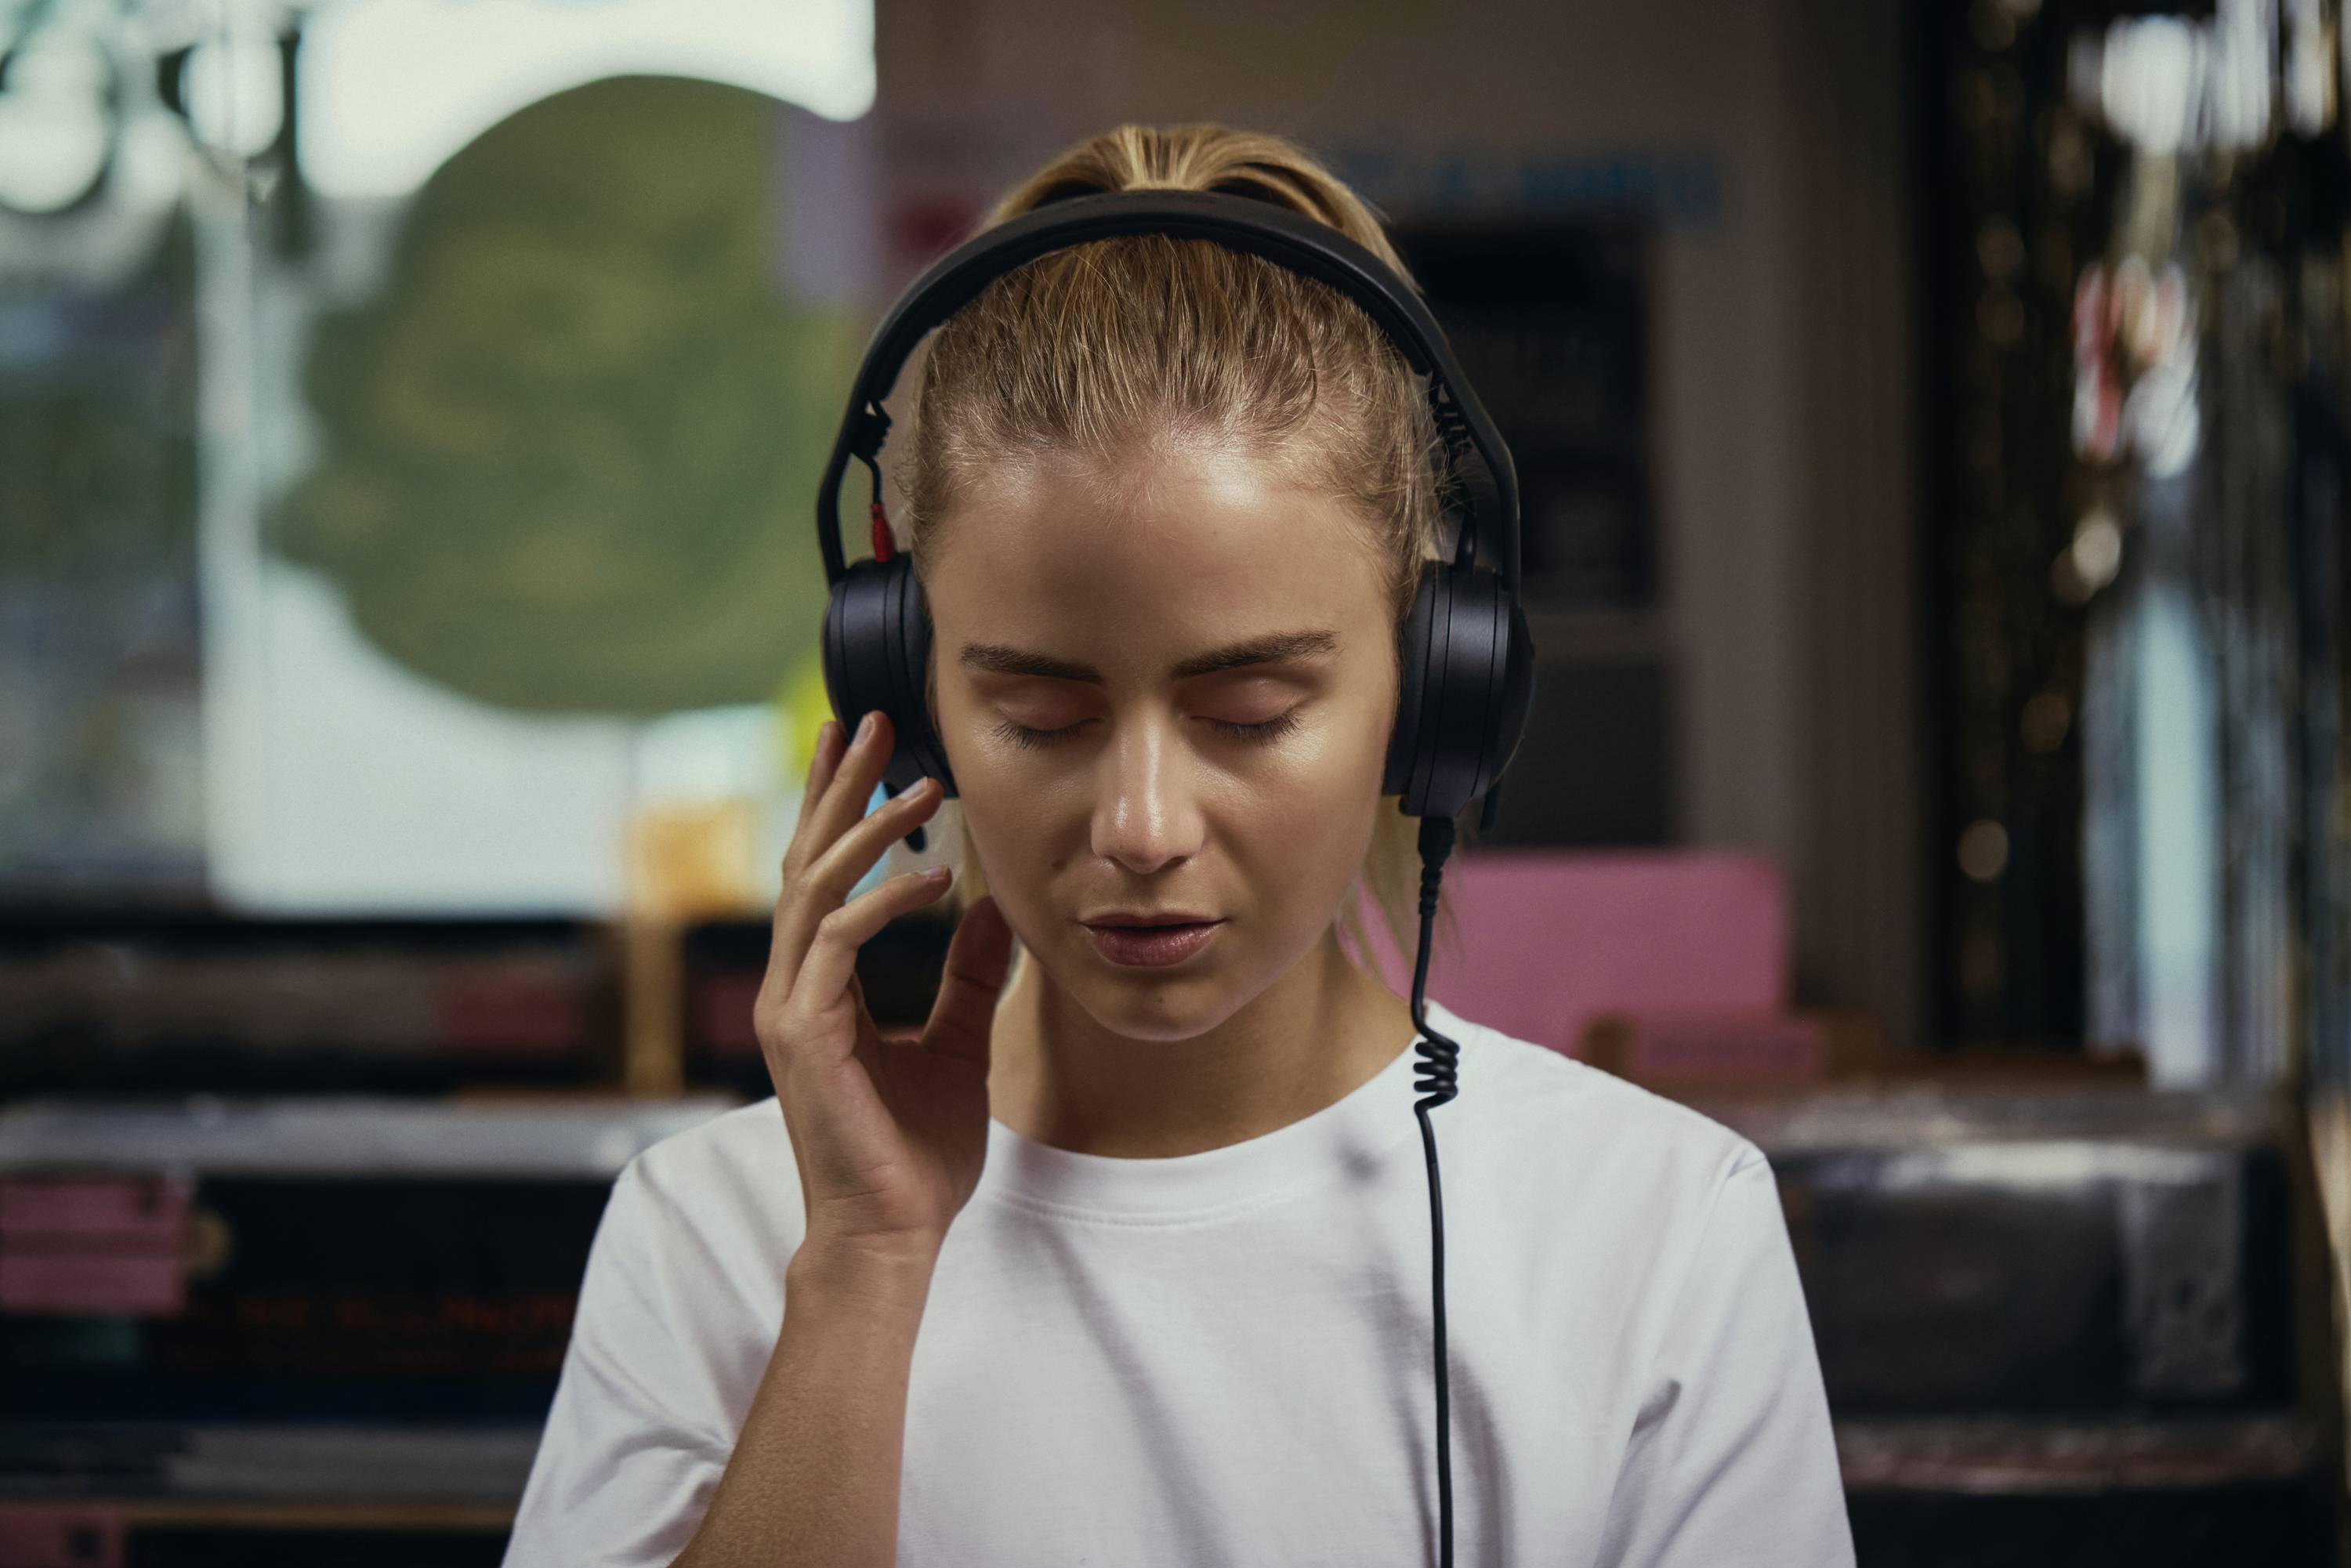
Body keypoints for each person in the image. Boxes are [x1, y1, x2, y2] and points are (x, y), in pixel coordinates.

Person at [502, 122, 1855, 1568]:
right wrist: (865, 1269)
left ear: (1431, 689)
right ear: (911, 690)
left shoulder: (1656, 1235)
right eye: (1038, 713)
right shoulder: (714, 1234)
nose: (1142, 828)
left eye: (1253, 710)